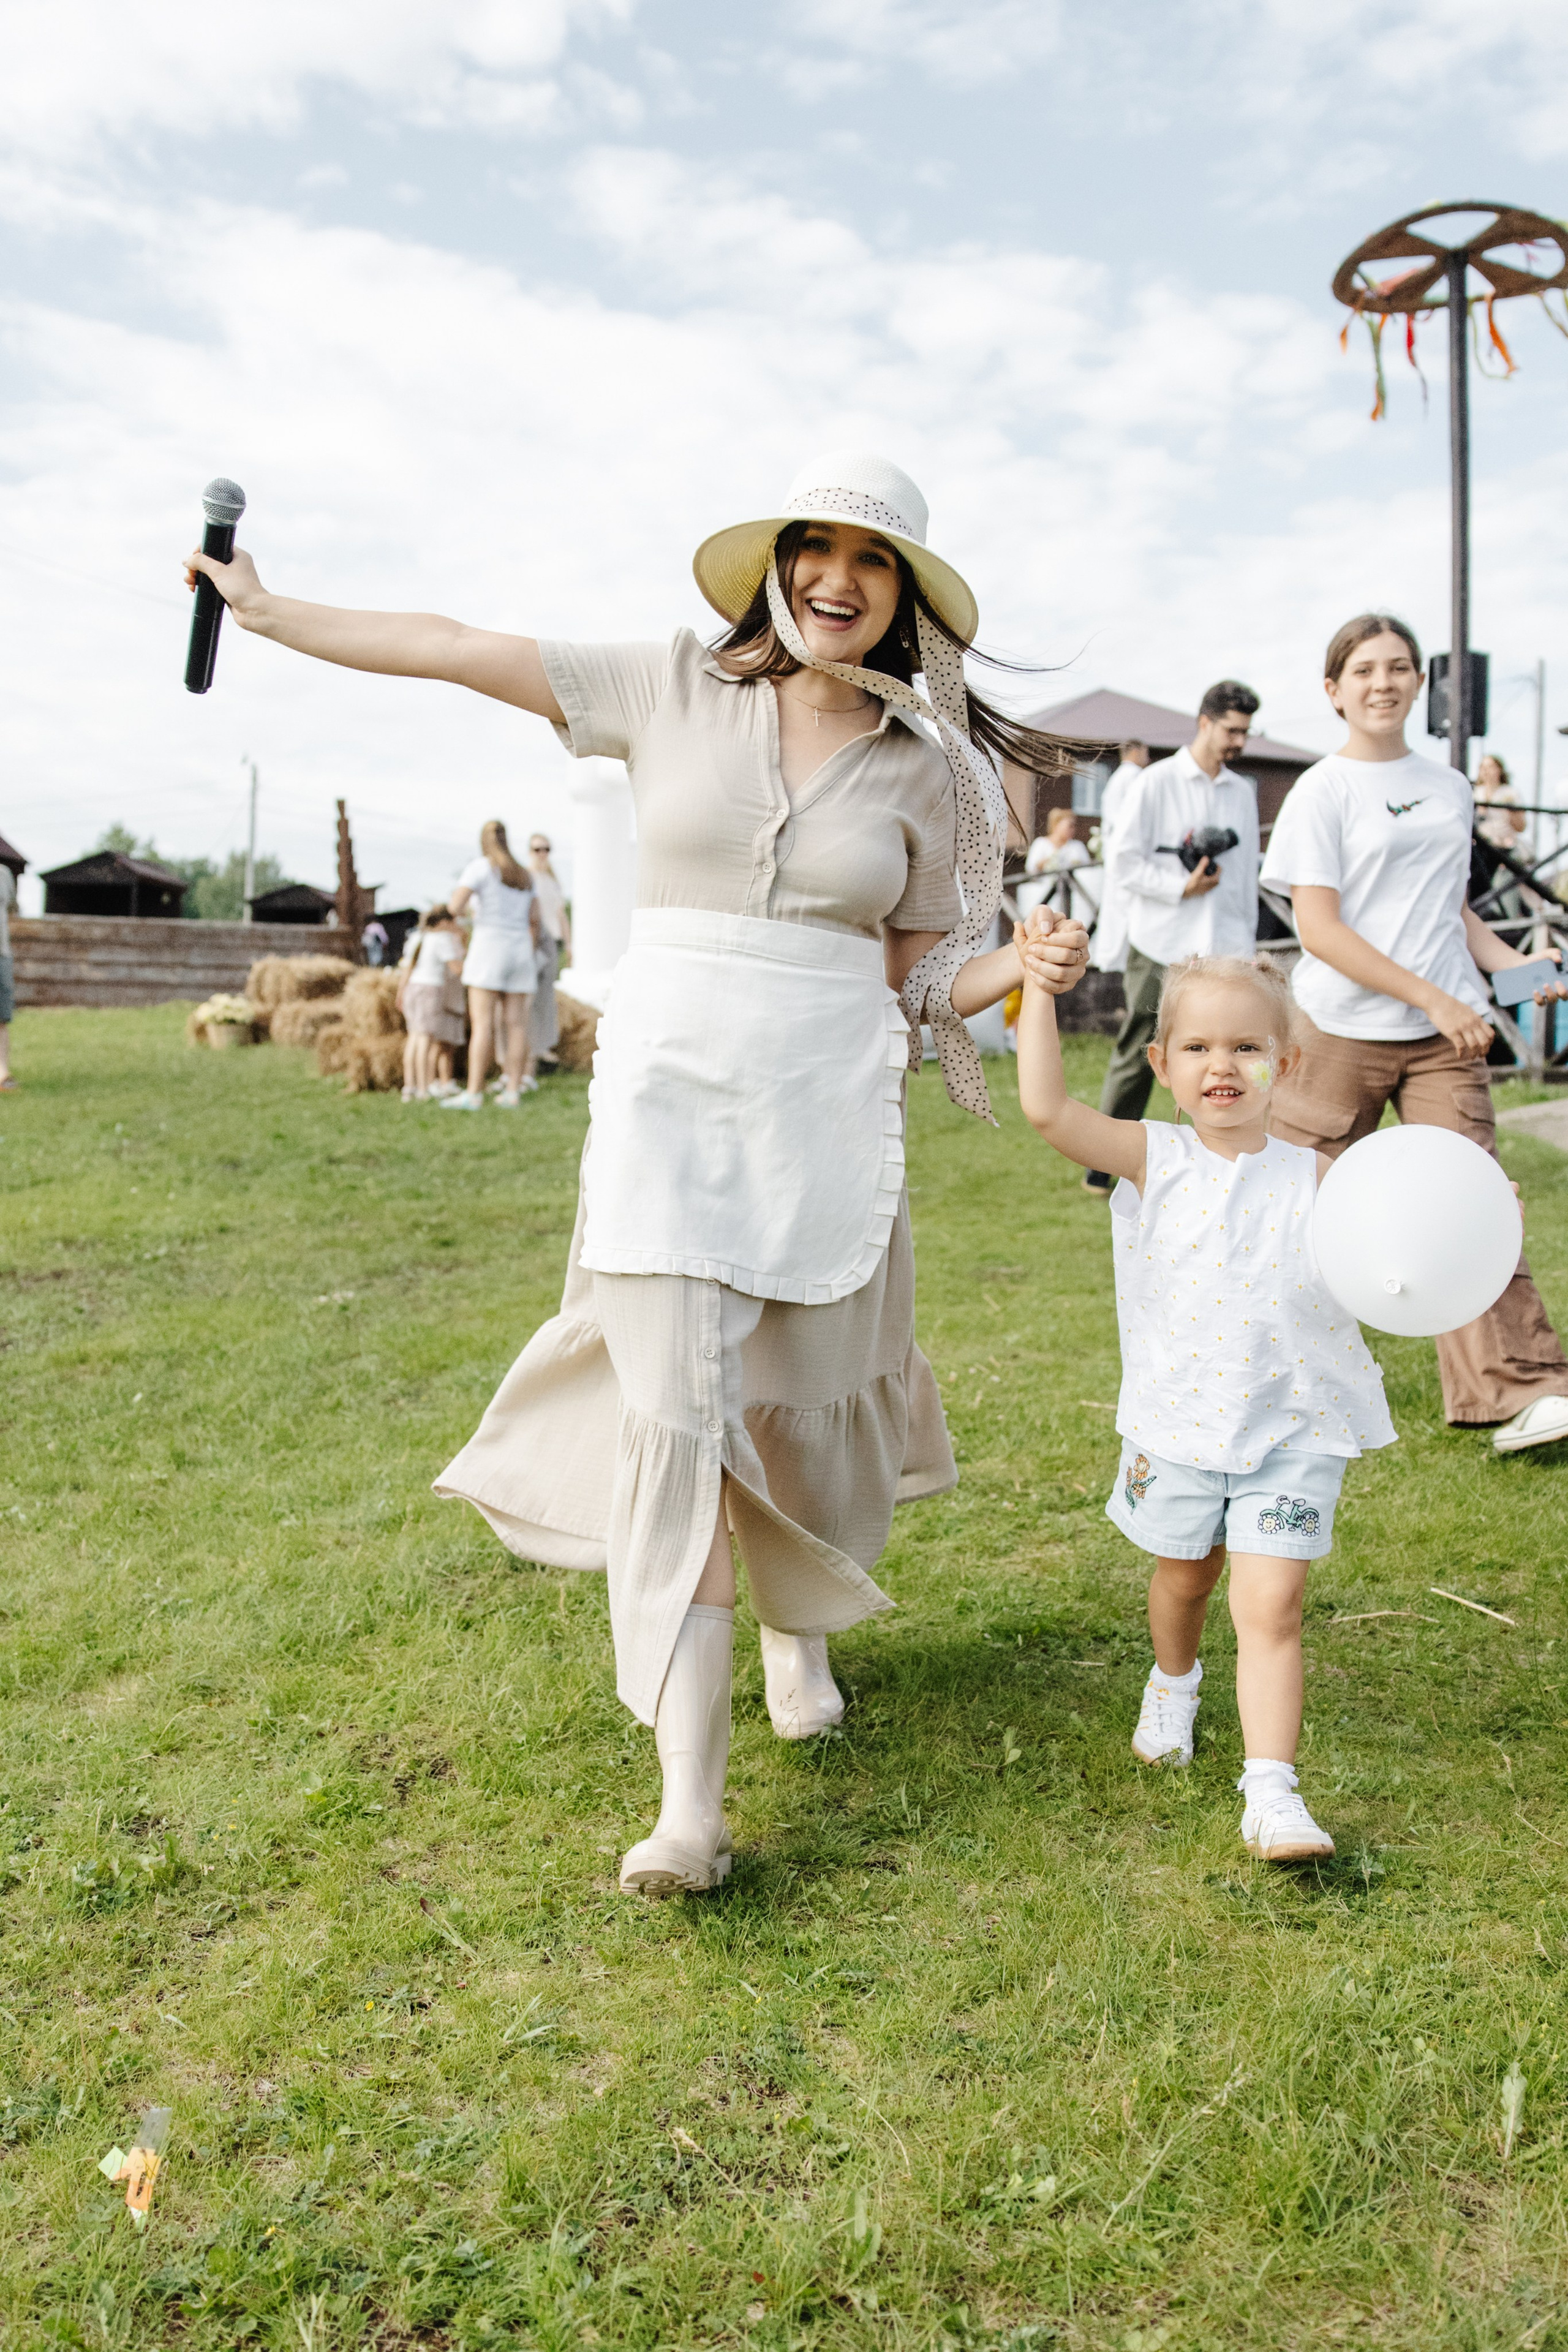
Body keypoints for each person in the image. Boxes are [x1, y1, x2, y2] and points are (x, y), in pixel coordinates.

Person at [183, 448, 1090, 1896]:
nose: (837, 582)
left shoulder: (931, 771)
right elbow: (458, 647)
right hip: (666, 1103)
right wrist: (273, 609)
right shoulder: (665, 683)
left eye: (871, 563)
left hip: (818, 1102)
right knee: (677, 1417)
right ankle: (690, 1806)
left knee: (788, 1403)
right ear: (775, 565)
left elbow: (919, 984)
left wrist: (1017, 968)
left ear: (903, 593)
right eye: (816, 551)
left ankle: (799, 1635)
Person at [1017, 938, 1396, 1860]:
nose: (1222, 1065)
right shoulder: (1155, 1156)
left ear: (1288, 1063)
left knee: (1272, 1608)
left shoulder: (1322, 1176)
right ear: (1161, 1064)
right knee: (1186, 1577)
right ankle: (1174, 1683)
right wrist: (1034, 990)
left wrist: (1465, 1209)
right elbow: (1046, 1109)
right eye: (1198, 1049)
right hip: (1181, 1421)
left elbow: (1403, 1236)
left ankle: (1272, 1794)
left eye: (1248, 1048)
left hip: (1295, 1426)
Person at [1261, 613, 1568, 1452]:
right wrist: (1437, 998)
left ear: (1418, 683)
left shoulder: (1449, 785)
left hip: (1445, 1040)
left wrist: (1518, 972)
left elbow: (1451, 910)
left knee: (1473, 1202)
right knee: (1284, 1204)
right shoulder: (1321, 791)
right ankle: (1255, 1367)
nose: (1384, 682)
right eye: (1364, 670)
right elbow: (1320, 929)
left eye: (1399, 667)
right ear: (1334, 690)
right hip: (1338, 1029)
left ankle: (1519, 1390)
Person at [1084, 685, 1261, 1195]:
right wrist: (1180, 885)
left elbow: (1245, 875)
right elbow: (1124, 861)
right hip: (1162, 941)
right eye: (1232, 730)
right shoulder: (1155, 782)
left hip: (1223, 946)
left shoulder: (1242, 792)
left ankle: (1219, 1160)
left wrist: (1245, 950)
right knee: (1140, 1049)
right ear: (1204, 723)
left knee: (1223, 1056)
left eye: (1245, 732)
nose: (1239, 742)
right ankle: (1103, 1165)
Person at [444, 821, 543, 1110]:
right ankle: (512, 1090)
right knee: (516, 1025)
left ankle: (474, 1093)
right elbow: (535, 920)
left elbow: (455, 907)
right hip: (520, 951)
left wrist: (466, 918)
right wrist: (527, 948)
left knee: (483, 1024)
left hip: (489, 948)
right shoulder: (524, 875)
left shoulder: (480, 868)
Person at [1088, 737, 1150, 979]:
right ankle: (1124, 959)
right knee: (1129, 906)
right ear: (1135, 751)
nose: (1148, 757)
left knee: (1115, 906)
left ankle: (1112, 957)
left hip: (1114, 849)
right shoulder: (1135, 777)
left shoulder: (1116, 779)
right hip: (1128, 849)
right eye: (1145, 752)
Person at [396, 904, 466, 1100]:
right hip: (430, 990)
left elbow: (407, 968)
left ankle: (409, 1087)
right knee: (426, 1038)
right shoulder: (442, 940)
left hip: (412, 988)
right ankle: (423, 1087)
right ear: (444, 922)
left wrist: (400, 992)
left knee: (414, 1038)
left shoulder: (416, 937)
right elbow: (457, 969)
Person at [528, 832, 570, 1065]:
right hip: (534, 942)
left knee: (546, 998)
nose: (542, 853)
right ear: (530, 852)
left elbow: (560, 915)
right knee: (529, 997)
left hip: (552, 943)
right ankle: (529, 1048)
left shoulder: (553, 882)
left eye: (546, 849)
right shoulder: (526, 878)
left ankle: (542, 1047)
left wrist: (570, 943)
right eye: (537, 849)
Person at [0, 858, 15, 1091]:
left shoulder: (3, 874)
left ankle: (2, 1074)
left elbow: (10, 906)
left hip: (1, 953)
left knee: (1, 1017)